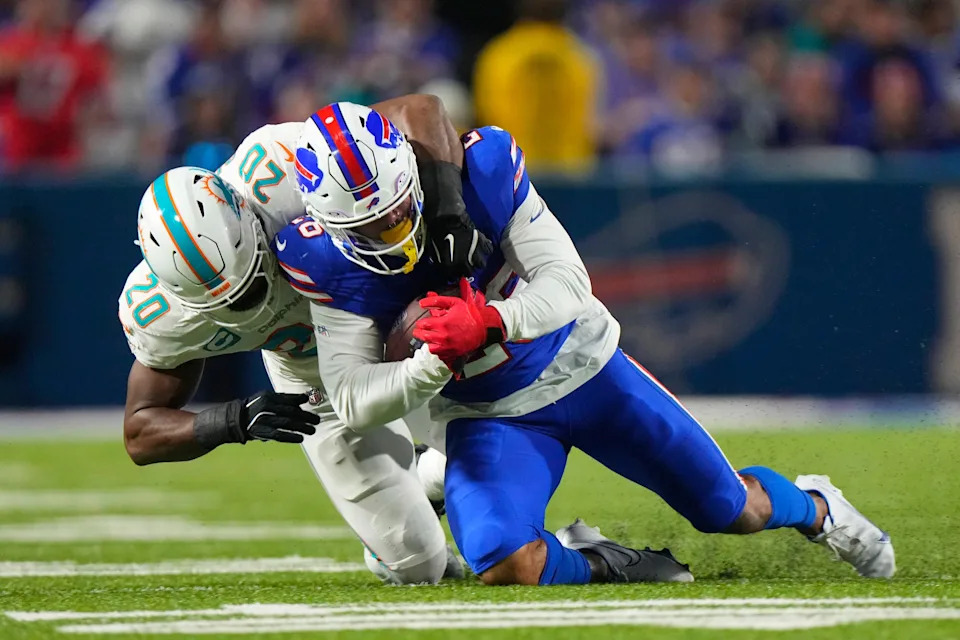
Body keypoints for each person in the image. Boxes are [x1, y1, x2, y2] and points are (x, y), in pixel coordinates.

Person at [273, 101, 896, 586]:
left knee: (730, 509)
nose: (390, 234)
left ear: (412, 175)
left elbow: (570, 285)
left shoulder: (478, 176)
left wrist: (490, 322)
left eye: (394, 212)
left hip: (585, 367)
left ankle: (818, 507)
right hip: (489, 414)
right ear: (326, 223)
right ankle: (612, 561)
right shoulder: (323, 261)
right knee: (503, 559)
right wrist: (428, 366)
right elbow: (351, 398)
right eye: (367, 228)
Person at [118, 94, 485, 585]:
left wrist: (447, 215)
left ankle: (442, 467)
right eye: (226, 302)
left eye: (252, 277)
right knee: (419, 566)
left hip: (393, 312)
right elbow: (140, 433)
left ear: (247, 218)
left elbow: (419, 111)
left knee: (507, 440)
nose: (251, 301)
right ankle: (428, 481)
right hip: (313, 374)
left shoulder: (278, 167)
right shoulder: (158, 312)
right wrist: (234, 419)